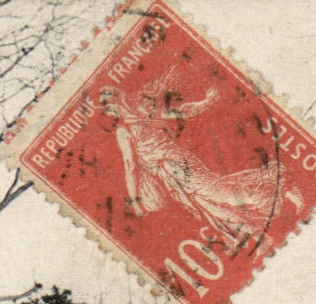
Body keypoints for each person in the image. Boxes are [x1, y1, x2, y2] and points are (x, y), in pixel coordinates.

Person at [100, 75, 301, 254]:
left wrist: (135, 200)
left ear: (118, 99)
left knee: (220, 194)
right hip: (170, 173)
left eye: (108, 103)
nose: (109, 110)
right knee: (211, 208)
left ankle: (280, 182)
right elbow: (178, 114)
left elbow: (131, 166)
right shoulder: (136, 118)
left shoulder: (129, 125)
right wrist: (206, 102)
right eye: (106, 107)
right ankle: (260, 238)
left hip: (176, 164)